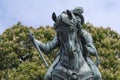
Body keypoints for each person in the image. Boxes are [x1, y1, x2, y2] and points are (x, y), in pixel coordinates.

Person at [32, 7, 101, 80]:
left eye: (79, 18)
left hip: (84, 58)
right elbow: (47, 48)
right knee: (48, 76)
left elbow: (93, 51)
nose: (78, 19)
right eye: (76, 17)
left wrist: (85, 47)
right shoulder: (61, 34)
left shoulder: (85, 34)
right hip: (61, 59)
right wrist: (34, 40)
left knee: (97, 76)